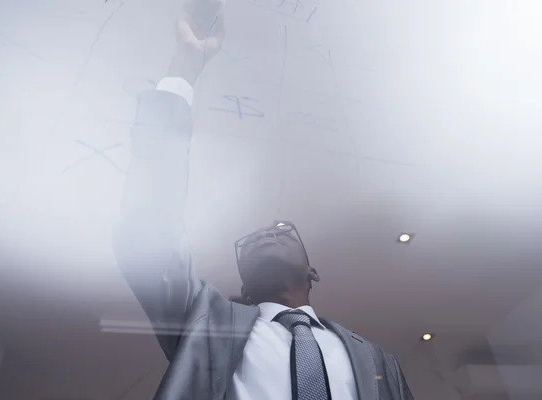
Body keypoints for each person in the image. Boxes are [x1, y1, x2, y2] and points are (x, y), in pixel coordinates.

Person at [113, 1, 413, 399]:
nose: (264, 235)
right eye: (249, 243)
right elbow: (148, 232)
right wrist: (184, 69)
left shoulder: (378, 362)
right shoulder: (206, 323)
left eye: (282, 231)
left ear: (313, 272)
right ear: (245, 288)